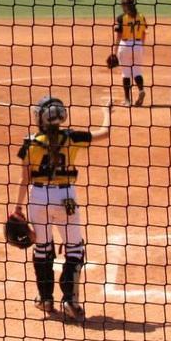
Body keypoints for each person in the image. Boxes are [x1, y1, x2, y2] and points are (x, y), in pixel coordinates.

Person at [11, 96, 111, 320]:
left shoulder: (30, 143)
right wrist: (107, 112)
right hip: (66, 198)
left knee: (42, 248)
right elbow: (105, 133)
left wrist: (18, 207)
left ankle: (45, 299)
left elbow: (24, 179)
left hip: (38, 199)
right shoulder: (73, 138)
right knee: (75, 249)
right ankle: (70, 299)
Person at [112, 0, 149, 106]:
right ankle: (141, 90)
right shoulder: (141, 17)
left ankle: (128, 100)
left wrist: (114, 51)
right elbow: (143, 33)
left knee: (126, 73)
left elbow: (119, 36)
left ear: (124, 6)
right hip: (138, 45)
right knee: (137, 71)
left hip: (125, 46)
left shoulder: (121, 18)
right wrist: (140, 46)